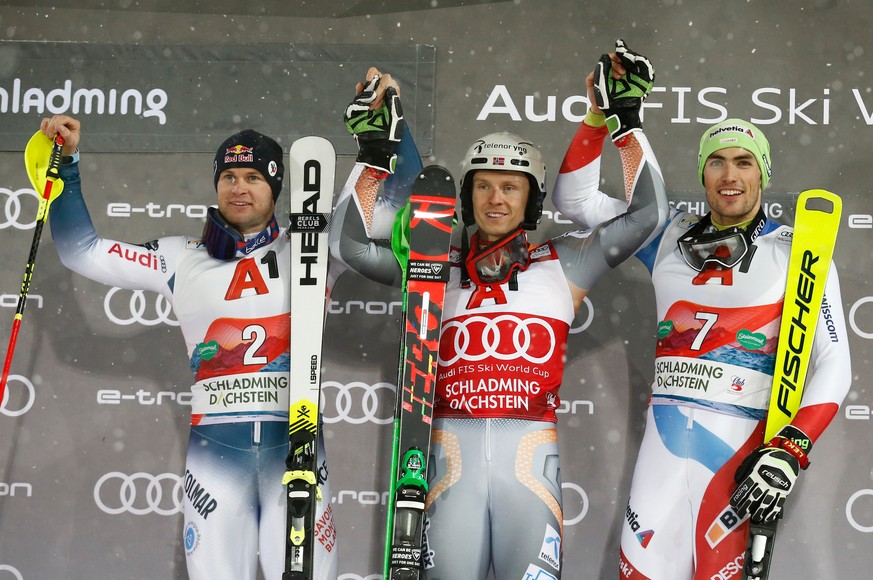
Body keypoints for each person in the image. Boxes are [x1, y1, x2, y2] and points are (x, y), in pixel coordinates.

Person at [41, 80, 407, 580]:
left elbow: (394, 200)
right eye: (229, 176)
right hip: (214, 458)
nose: (239, 187)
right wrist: (65, 164)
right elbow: (79, 250)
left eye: (254, 177)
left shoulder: (317, 243)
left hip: (295, 452)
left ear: (277, 188)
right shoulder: (178, 255)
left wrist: (389, 131)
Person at [338, 44, 666, 580]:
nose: (496, 198)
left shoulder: (563, 264)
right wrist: (374, 158)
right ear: (465, 197)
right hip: (447, 466)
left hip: (529, 470)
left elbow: (648, 214)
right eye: (483, 185)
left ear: (531, 199)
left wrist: (621, 123)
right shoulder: (430, 269)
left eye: (510, 187)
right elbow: (348, 247)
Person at [552, 47, 853, 579]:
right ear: (703, 171)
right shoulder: (667, 237)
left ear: (762, 173)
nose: (729, 175)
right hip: (661, 460)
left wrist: (790, 449)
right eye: (717, 161)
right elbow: (575, 201)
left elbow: (833, 363)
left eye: (744, 162)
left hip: (740, 461)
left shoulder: (798, 250)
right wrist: (601, 116)